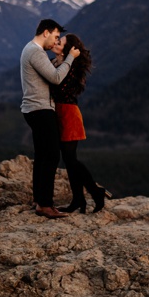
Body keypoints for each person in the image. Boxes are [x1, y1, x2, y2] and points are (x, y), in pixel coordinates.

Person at [19, 19, 80, 219]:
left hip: (34, 109)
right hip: (40, 109)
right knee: (52, 155)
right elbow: (55, 78)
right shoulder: (35, 51)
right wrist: (70, 57)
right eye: (55, 36)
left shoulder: (32, 50)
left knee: (42, 155)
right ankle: (45, 205)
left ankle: (40, 200)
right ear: (46, 32)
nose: (55, 41)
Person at [49, 33, 111, 213]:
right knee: (69, 160)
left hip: (68, 114)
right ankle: (78, 200)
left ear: (68, 50)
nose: (56, 42)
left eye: (59, 42)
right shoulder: (57, 62)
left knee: (71, 159)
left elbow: (60, 88)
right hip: (59, 113)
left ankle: (95, 191)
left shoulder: (72, 67)